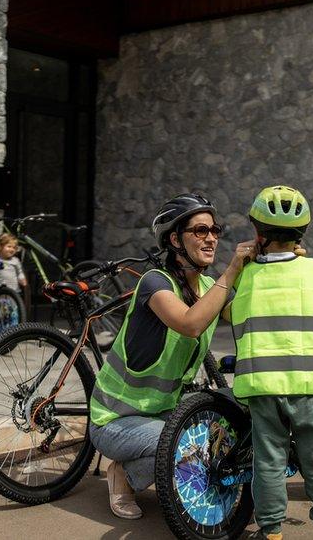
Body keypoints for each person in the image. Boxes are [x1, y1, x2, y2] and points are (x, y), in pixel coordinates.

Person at [88, 193, 255, 520]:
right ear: (175, 239)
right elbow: (191, 324)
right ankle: (124, 475)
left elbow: (246, 313)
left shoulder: (208, 286)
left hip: (163, 414)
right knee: (185, 442)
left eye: (215, 230)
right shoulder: (155, 283)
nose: (211, 238)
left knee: (227, 434)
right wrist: (233, 271)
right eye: (200, 230)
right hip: (115, 420)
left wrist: (272, 262)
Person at [228, 185, 313, 540]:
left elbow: (227, 310)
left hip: (262, 386)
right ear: (302, 234)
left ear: (257, 233)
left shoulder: (245, 275)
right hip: (309, 386)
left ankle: (271, 533)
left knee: (268, 463)